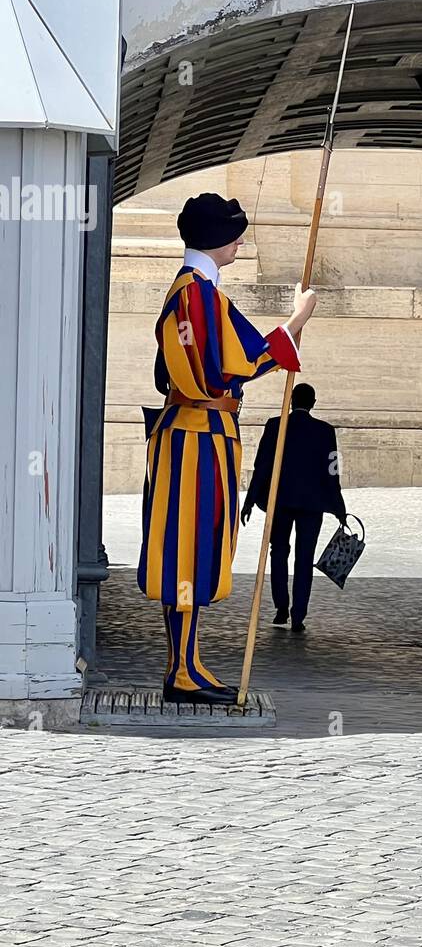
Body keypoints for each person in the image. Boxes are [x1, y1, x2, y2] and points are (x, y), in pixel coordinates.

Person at [137, 193, 316, 704]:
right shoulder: (196, 294)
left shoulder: (200, 292)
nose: (240, 242)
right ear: (217, 237)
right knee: (188, 551)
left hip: (201, 434)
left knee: (197, 549)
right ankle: (182, 671)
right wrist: (296, 320)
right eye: (235, 234)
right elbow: (230, 369)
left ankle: (187, 664)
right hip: (195, 437)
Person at [241, 383, 348, 633]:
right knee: (304, 558)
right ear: (313, 403)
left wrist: (250, 501)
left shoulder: (275, 426)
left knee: (278, 552)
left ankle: (281, 606)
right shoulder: (325, 431)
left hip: (280, 502)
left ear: (291, 400)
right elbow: (332, 472)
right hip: (312, 505)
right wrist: (339, 507)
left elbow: (262, 466)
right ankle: (298, 614)